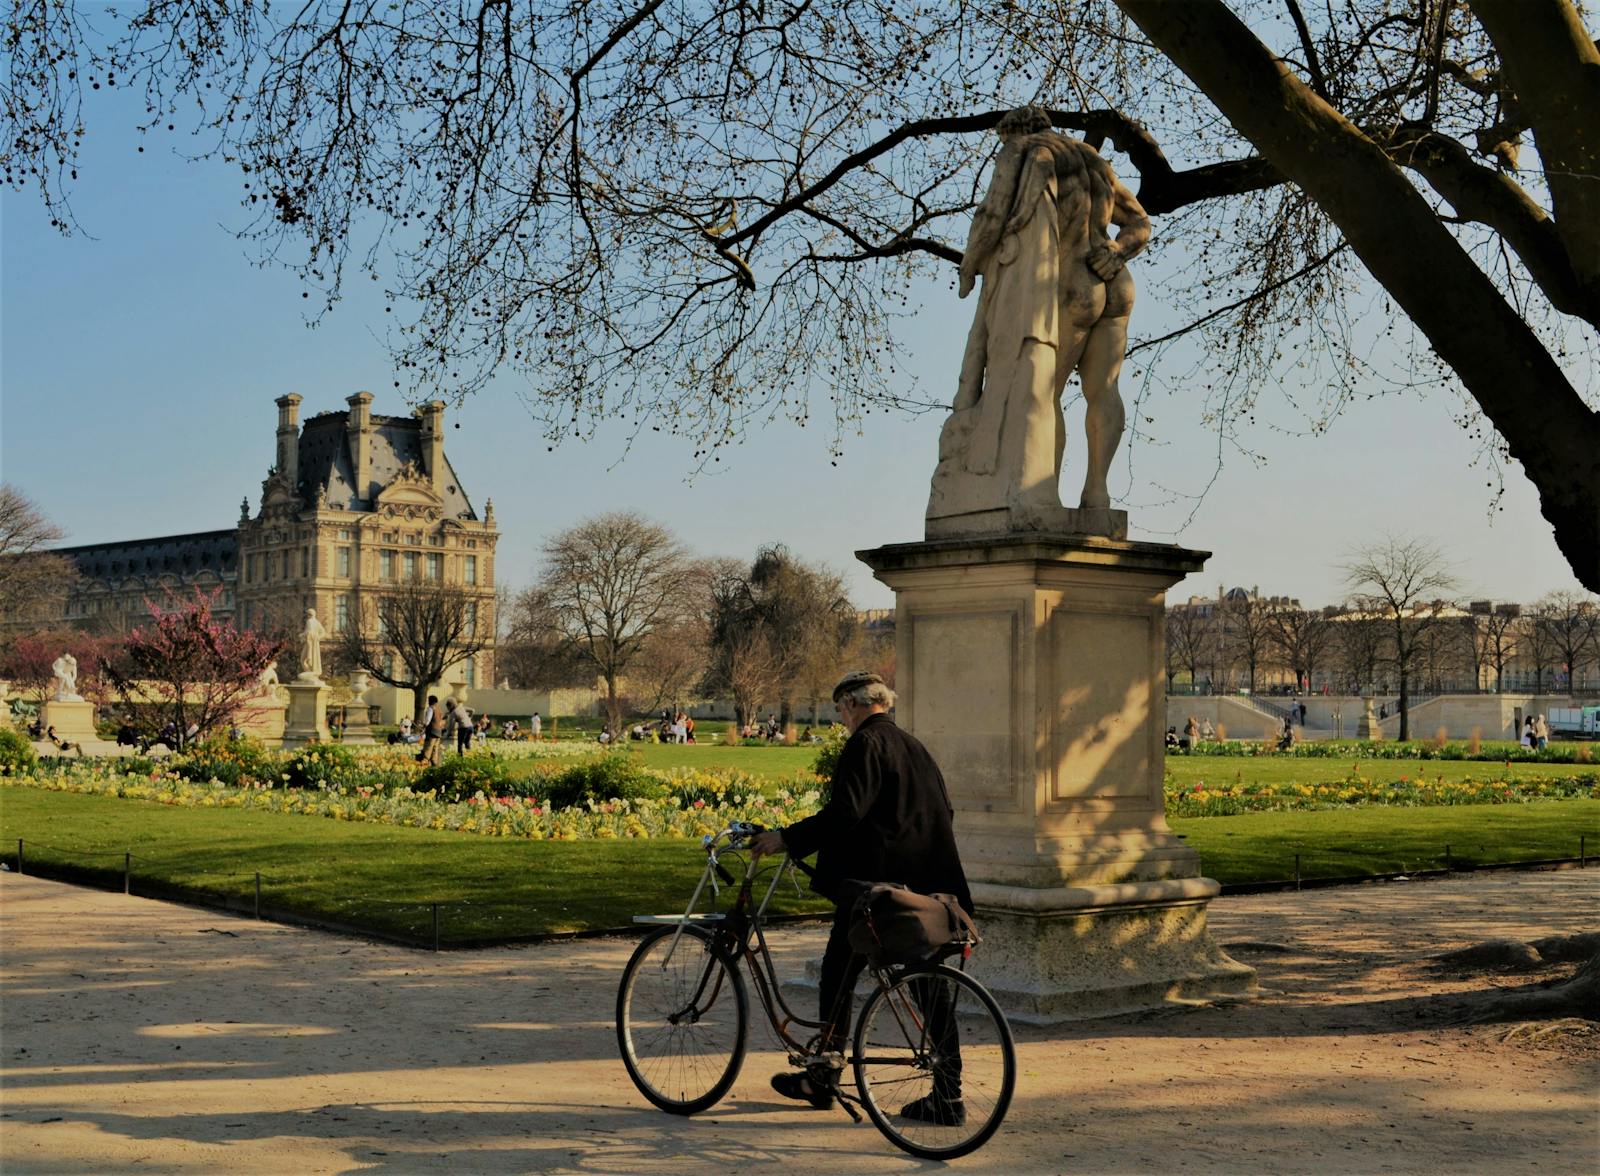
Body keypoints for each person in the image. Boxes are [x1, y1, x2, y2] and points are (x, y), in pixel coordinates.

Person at [749, 669, 972, 1126]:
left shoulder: (866, 744)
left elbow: (846, 811)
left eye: (840, 709)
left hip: (881, 892)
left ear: (852, 704)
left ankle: (824, 1076)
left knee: (839, 970)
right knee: (931, 985)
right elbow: (939, 811)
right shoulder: (914, 746)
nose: (841, 718)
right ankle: (949, 1093)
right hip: (931, 886)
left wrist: (787, 839)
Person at [927, 106, 1150, 528]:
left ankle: (1043, 493)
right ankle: (1097, 495)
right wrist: (1117, 250)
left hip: (1065, 285)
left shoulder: (1023, 151)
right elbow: (1140, 222)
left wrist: (970, 262)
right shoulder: (1093, 160)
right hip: (1114, 279)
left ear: (1012, 132)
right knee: (1104, 391)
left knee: (1046, 392)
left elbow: (992, 215)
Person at [417, 695, 443, 765]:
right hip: (439, 732)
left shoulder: (430, 708)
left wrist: (423, 726)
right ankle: (435, 765)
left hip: (431, 732)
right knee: (435, 750)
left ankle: (424, 764)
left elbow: (428, 721)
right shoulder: (439, 709)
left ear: (430, 701)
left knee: (428, 749)